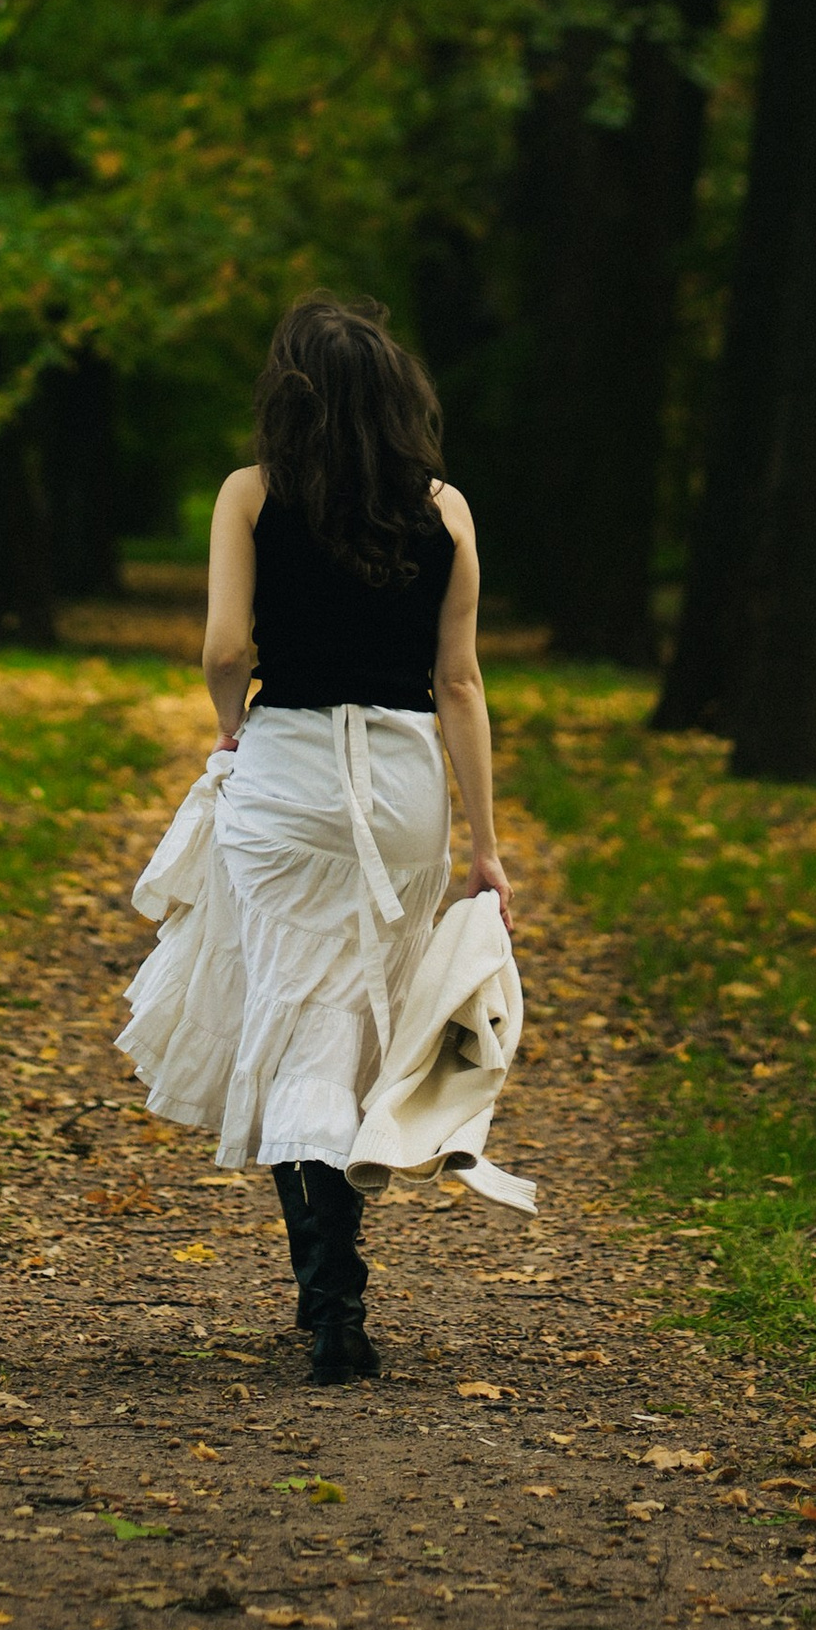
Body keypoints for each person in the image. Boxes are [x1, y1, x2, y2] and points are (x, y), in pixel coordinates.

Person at [192, 291, 510, 1386]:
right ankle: (334, 1304)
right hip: (402, 784)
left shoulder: (250, 494)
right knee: (350, 1017)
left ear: (291, 396)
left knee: (296, 1018)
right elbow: (459, 682)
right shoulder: (447, 510)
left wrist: (231, 731)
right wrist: (484, 845)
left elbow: (227, 647)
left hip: (287, 776)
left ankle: (329, 1304)